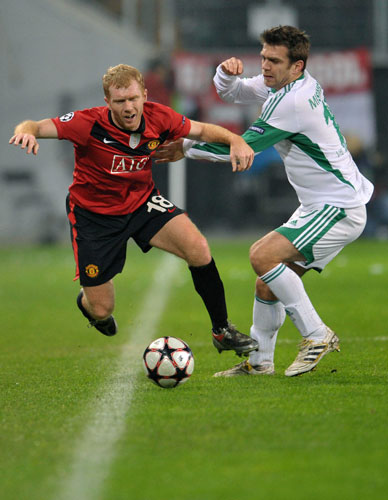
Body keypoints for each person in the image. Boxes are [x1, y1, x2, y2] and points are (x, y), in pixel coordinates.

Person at [154, 26, 374, 377]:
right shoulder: (291, 84)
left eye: (274, 61)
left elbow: (243, 149)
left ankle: (316, 335)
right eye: (263, 58)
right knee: (268, 282)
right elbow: (238, 91)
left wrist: (185, 147)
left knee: (262, 255)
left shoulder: (293, 103)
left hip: (338, 206)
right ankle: (260, 364)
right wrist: (223, 75)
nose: (265, 67)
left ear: (297, 66)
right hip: (326, 204)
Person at [9, 63, 259, 357]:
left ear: (144, 94)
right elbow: (36, 125)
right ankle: (88, 304)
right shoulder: (87, 123)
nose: (128, 107)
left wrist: (235, 139)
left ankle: (222, 330)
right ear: (107, 102)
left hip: (142, 203)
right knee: (102, 309)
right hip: (94, 217)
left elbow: (202, 130)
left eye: (133, 99)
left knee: (199, 248)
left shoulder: (160, 116)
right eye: (120, 101)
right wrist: (26, 133)